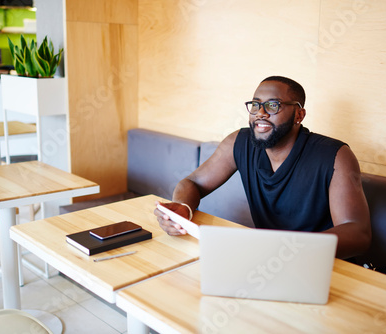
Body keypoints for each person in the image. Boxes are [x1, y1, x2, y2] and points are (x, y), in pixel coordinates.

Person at [154, 76, 371, 259]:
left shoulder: (334, 155)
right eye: (256, 104)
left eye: (273, 105)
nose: (261, 113)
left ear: (299, 115)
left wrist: (290, 249)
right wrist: (183, 207)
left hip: (318, 263)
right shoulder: (238, 142)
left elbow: (357, 232)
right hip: (263, 261)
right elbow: (192, 183)